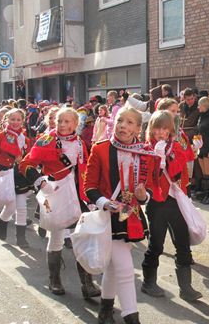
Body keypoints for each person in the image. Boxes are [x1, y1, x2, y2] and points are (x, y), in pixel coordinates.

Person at [19, 107, 101, 299]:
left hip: (77, 196)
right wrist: (40, 182)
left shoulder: (80, 142)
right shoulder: (46, 140)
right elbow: (25, 164)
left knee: (80, 237)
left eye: (67, 121)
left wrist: (89, 197)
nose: (63, 125)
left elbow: (85, 170)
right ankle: (54, 279)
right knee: (56, 237)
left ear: (75, 124)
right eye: (60, 121)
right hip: (55, 194)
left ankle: (87, 284)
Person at [85, 107, 151, 324]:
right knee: (123, 267)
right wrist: (105, 203)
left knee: (115, 266)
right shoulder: (100, 148)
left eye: (130, 122)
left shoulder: (145, 151)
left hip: (130, 217)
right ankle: (131, 317)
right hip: (107, 216)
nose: (123, 125)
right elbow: (90, 186)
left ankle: (105, 311)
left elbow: (146, 190)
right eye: (120, 120)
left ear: (138, 128)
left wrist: (143, 197)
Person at [142, 110, 202, 302]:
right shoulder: (145, 148)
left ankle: (186, 288)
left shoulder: (175, 146)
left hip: (176, 201)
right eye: (157, 128)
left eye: (164, 129)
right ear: (151, 128)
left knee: (183, 244)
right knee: (156, 244)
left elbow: (181, 171)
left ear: (170, 130)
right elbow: (147, 178)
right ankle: (148, 282)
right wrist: (155, 158)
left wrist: (167, 157)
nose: (160, 132)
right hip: (156, 203)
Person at [0, 109, 32, 247]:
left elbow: (29, 157)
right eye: (12, 119)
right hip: (4, 173)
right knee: (10, 205)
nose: (15, 122)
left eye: (18, 119)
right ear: (7, 120)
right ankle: (3, 220)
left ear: (22, 121)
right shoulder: (0, 135)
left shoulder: (25, 139)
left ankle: (21, 238)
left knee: (21, 206)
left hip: (19, 175)